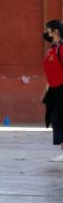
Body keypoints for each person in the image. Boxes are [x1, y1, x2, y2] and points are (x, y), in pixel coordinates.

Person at [42, 20, 63, 162]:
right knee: (55, 120)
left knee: (59, 119)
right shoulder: (52, 48)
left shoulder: (61, 48)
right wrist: (47, 88)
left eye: (48, 30)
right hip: (54, 90)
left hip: (62, 89)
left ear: (56, 31)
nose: (46, 33)